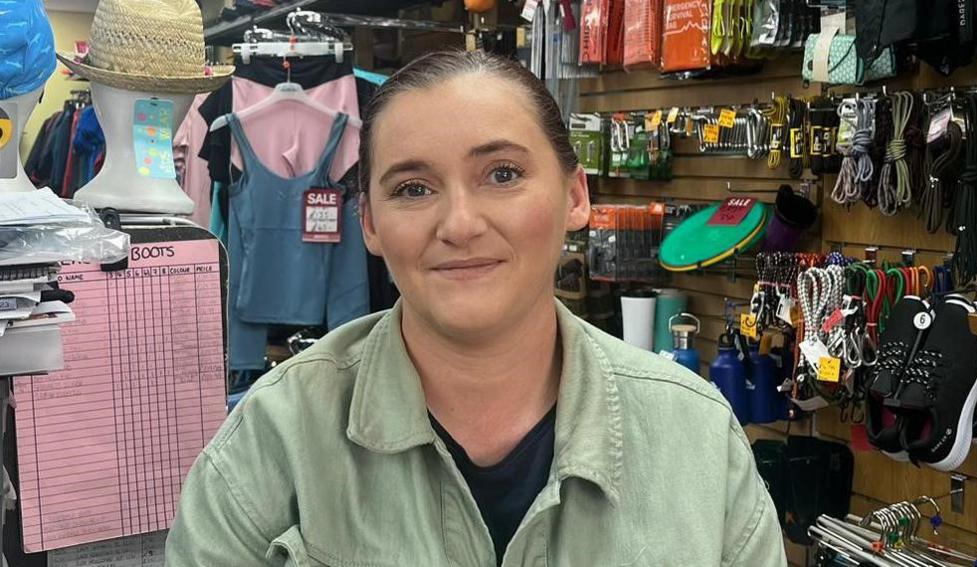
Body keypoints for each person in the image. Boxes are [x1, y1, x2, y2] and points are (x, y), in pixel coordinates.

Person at [166, 50, 786, 566]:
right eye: (413, 188)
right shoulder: (272, 444)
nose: (460, 225)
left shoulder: (695, 437)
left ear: (575, 196)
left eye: (503, 174)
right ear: (371, 223)